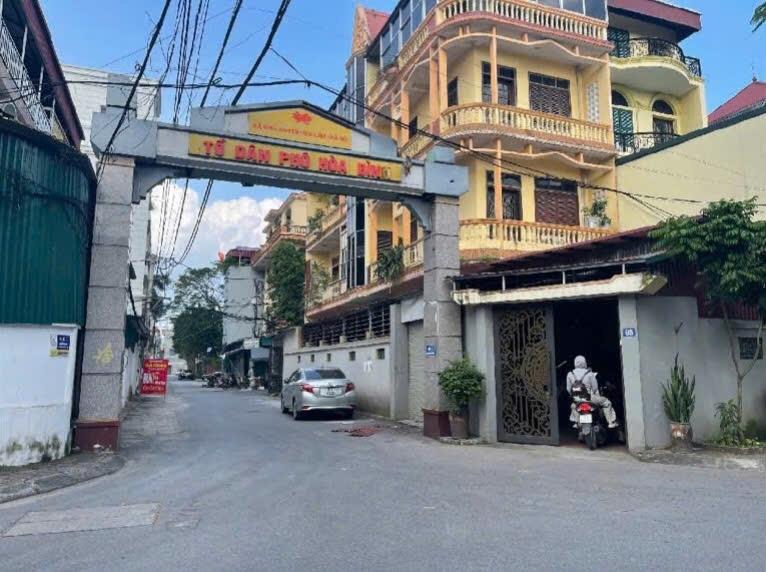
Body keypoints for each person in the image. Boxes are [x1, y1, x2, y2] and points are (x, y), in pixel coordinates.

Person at [566, 356, 618, 429]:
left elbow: (568, 389)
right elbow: (595, 388)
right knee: (607, 402)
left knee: (573, 406)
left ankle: (576, 422)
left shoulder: (570, 374)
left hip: (577, 399)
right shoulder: (589, 374)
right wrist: (591, 394)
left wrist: (575, 396)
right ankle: (610, 422)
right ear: (584, 363)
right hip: (589, 398)